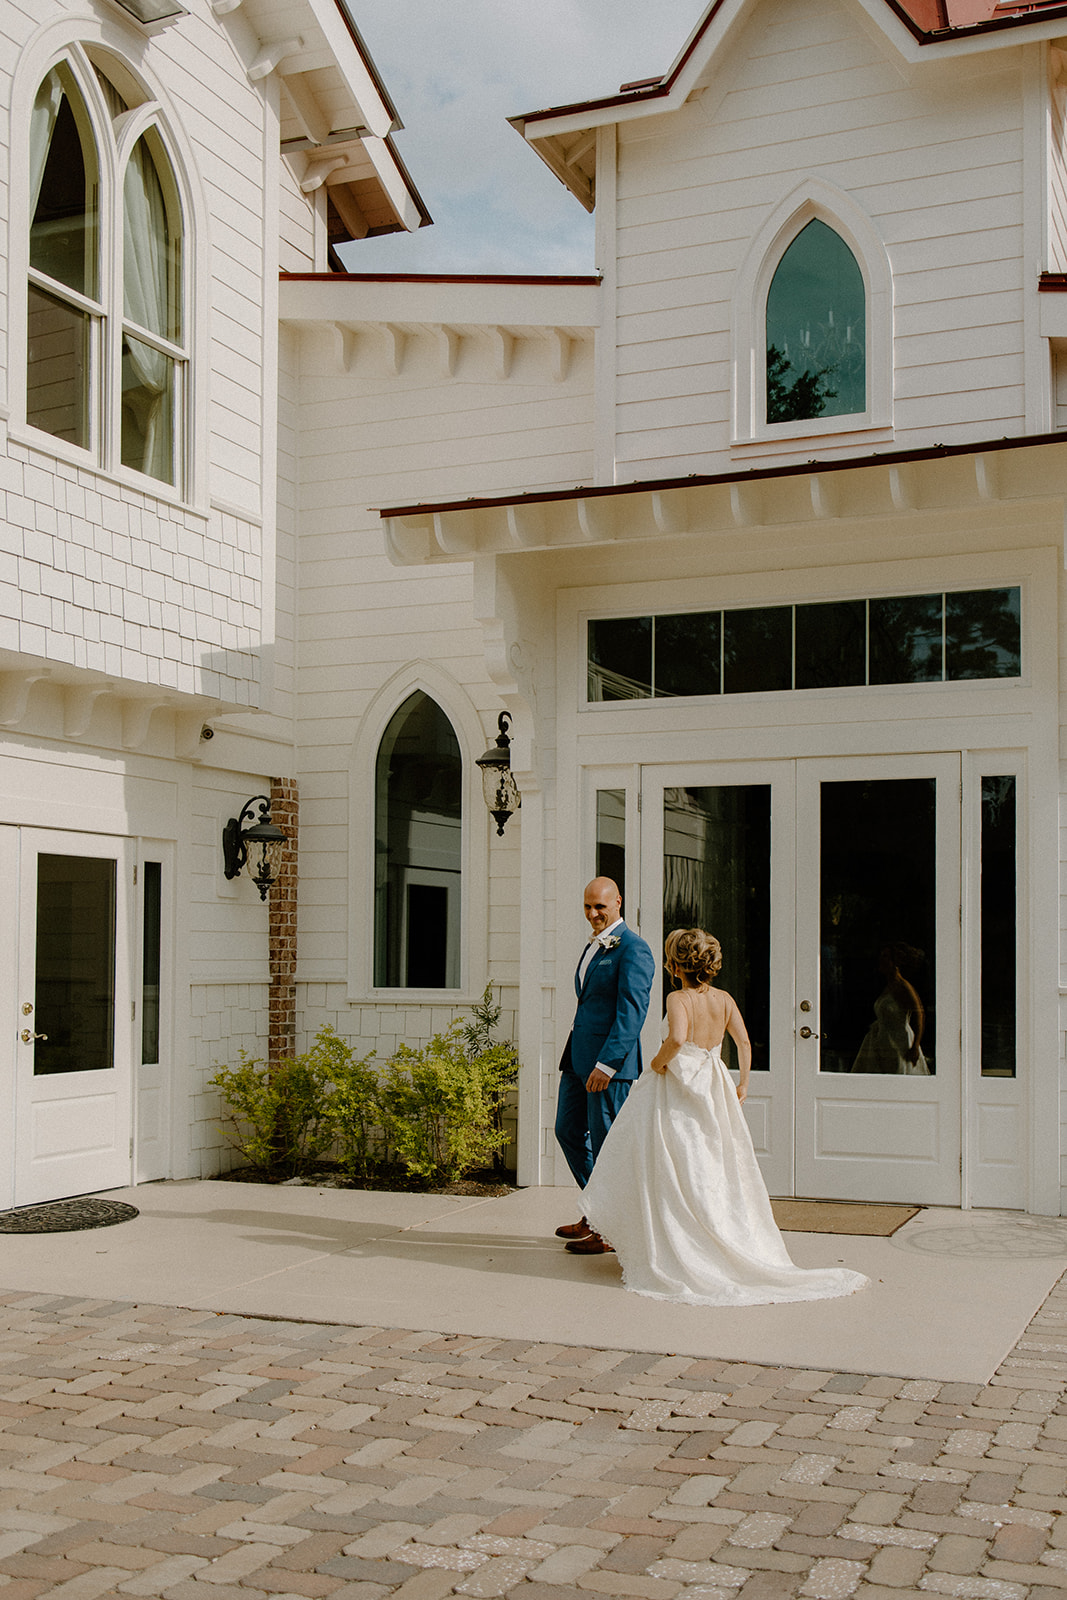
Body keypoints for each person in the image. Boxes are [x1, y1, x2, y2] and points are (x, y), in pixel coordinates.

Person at [582, 927, 868, 1306]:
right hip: (714, 1082)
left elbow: (678, 1038)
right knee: (713, 1160)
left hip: (681, 1083)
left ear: (675, 964)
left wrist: (657, 1062)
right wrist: (744, 1082)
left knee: (676, 1160)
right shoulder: (725, 999)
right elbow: (744, 1041)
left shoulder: (678, 998)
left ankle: (681, 1242)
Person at [554, 877, 655, 1255]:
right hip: (577, 1061)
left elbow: (632, 1012)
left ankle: (611, 1229)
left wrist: (609, 1064)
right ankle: (598, 1211)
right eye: (587, 907)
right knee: (567, 1131)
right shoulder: (594, 947)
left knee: (607, 1145)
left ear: (618, 903)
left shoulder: (633, 949)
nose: (593, 914)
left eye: (600, 907)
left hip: (609, 1068)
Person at [851, 942, 929, 1075]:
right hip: (883, 1040)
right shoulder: (888, 986)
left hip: (899, 1042)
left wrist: (915, 1045)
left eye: (885, 956)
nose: (881, 960)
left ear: (895, 962)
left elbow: (919, 1014)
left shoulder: (903, 987)